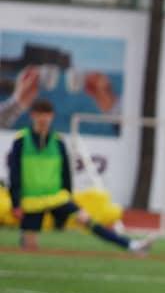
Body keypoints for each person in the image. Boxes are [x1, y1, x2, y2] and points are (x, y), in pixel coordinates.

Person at [6, 98, 152, 254]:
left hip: (56, 197)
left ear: (52, 116)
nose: (43, 118)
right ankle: (26, 242)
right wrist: (16, 202)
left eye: (47, 114)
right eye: (40, 114)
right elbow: (15, 172)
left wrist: (68, 195)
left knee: (87, 219)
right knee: (30, 246)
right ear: (32, 115)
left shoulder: (58, 141)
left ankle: (131, 245)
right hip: (32, 200)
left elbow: (65, 172)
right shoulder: (21, 140)